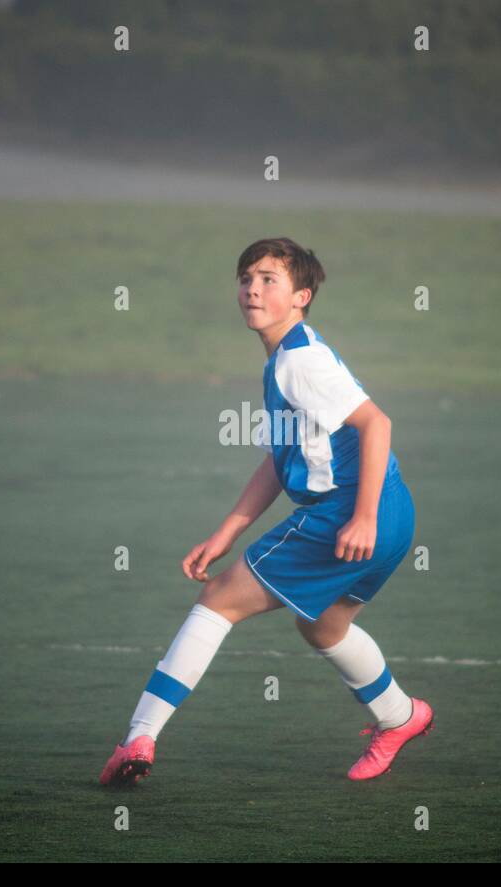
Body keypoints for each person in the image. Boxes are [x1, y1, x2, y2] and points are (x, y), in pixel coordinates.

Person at [99, 237, 431, 785]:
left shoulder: (299, 363)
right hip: (394, 512)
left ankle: (139, 737)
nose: (252, 287)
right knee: (324, 625)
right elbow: (280, 460)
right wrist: (227, 529)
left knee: (217, 600)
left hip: (351, 514)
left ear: (301, 296)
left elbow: (378, 424)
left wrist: (362, 516)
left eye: (269, 279)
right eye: (246, 277)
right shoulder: (288, 355)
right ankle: (401, 717)